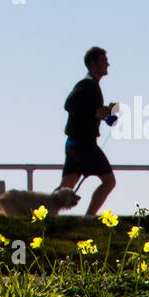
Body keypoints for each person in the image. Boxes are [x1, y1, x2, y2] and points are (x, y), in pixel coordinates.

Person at [57, 46, 116, 216]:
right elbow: (69, 104)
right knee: (109, 182)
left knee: (66, 187)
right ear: (93, 63)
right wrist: (95, 112)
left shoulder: (92, 85)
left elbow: (93, 112)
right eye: (104, 61)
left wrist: (106, 114)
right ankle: (89, 217)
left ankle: (42, 217)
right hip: (84, 144)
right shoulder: (87, 84)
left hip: (74, 144)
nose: (108, 64)